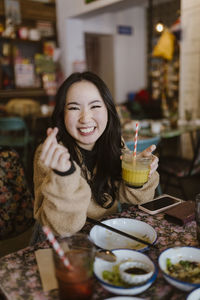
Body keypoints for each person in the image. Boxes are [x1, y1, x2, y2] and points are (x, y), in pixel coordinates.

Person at [30, 71, 159, 244]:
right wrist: (64, 175)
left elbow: (137, 199)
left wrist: (139, 173)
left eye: (95, 106)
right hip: (58, 243)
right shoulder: (52, 154)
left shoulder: (113, 144)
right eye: (74, 108)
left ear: (108, 109)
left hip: (105, 234)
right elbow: (62, 227)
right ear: (62, 114)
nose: (85, 118)